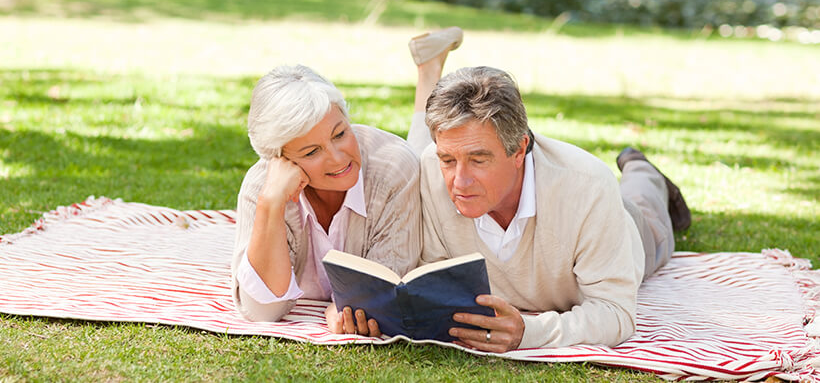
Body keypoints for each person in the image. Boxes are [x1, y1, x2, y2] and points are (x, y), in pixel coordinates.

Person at [405, 28, 692, 352]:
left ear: (519, 150)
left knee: (645, 206)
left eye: (479, 160)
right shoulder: (428, 169)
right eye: (448, 159)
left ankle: (642, 167)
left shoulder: (588, 188)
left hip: (628, 228)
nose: (459, 181)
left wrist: (529, 331)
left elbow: (616, 313)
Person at [230, 64, 421, 336]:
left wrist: (347, 305)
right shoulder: (261, 185)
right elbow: (261, 310)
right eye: (311, 152)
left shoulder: (394, 170)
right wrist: (271, 203)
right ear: (280, 159)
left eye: (340, 134)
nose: (338, 158)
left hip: (412, 159)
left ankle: (427, 71)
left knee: (426, 152)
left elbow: (387, 283)